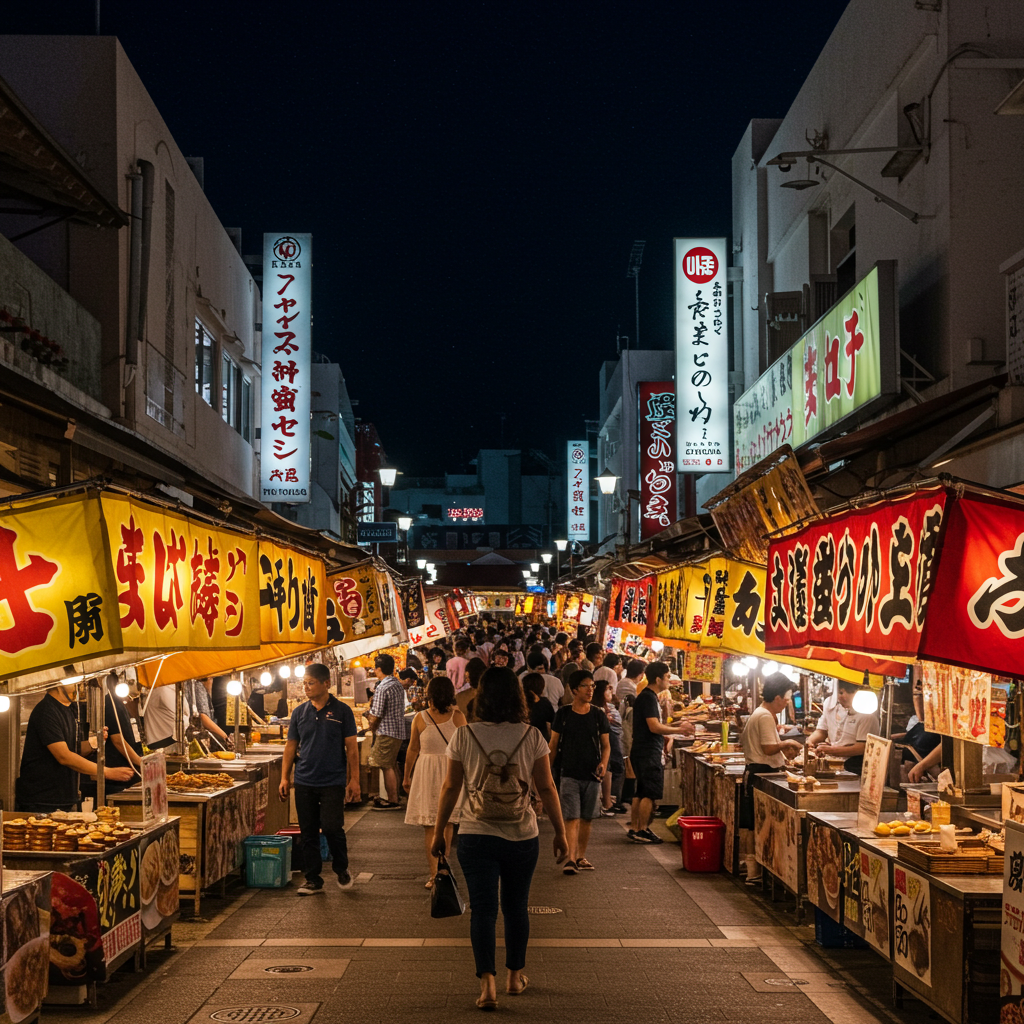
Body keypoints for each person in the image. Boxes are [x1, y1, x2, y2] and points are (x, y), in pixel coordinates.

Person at [432, 666, 568, 1011]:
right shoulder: (532, 735)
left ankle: (487, 984)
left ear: (481, 697)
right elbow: (547, 787)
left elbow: (451, 787)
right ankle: (513, 977)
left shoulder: (464, 735)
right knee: (516, 907)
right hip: (522, 834)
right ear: (517, 697)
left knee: (483, 910)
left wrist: (439, 832)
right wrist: (562, 833)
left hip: (476, 833)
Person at [279, 663, 360, 895]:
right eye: (304, 683)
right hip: (304, 779)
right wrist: (285, 778)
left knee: (333, 827)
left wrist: (354, 780)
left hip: (333, 780)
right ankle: (313, 879)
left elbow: (352, 749)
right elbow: (291, 747)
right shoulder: (299, 712)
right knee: (308, 831)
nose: (306, 687)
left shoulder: (343, 711)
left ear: (326, 683)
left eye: (310, 683)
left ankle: (341, 868)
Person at [16, 685, 134, 813]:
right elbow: (64, 756)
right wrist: (106, 772)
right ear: (59, 684)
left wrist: (92, 744)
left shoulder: (69, 709)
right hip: (41, 800)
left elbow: (72, 750)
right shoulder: (46, 711)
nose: (80, 686)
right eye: (74, 682)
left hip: (64, 799)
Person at [739, 673, 804, 883]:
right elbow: (768, 748)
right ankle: (754, 872)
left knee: (751, 823)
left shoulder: (758, 713)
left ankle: (752, 869)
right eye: (786, 700)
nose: (786, 704)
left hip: (754, 772)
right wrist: (787, 744)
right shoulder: (765, 715)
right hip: (761, 772)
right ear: (777, 697)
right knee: (758, 823)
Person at [403, 677, 467, 887]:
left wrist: (407, 775)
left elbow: (413, 749)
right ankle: (441, 870)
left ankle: (436, 873)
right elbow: (466, 749)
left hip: (428, 772)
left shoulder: (420, 718)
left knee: (432, 825)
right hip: (448, 771)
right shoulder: (458, 718)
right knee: (444, 823)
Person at [549, 670, 610, 873]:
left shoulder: (598, 714)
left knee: (586, 818)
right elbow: (553, 743)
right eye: (586, 686)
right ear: (574, 690)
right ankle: (571, 859)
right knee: (572, 816)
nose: (591, 690)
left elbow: (606, 745)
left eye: (592, 686)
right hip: (569, 773)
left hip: (593, 774)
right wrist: (547, 771)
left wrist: (603, 763)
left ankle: (581, 856)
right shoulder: (563, 714)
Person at [628, 662, 694, 844]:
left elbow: (656, 724)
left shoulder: (648, 697)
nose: (669, 680)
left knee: (641, 791)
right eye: (667, 677)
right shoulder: (648, 698)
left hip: (642, 750)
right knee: (649, 792)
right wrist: (679, 731)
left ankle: (635, 828)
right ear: (658, 679)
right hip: (648, 751)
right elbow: (654, 727)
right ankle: (642, 829)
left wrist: (678, 726)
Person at [806, 679, 881, 775]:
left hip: (856, 766)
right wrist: (811, 741)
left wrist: (831, 750)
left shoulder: (866, 710)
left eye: (849, 693)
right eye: (840, 692)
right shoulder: (830, 704)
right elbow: (822, 731)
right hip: (833, 763)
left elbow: (862, 747)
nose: (843, 697)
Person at [366, 653, 407, 809]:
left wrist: (369, 719)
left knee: (385, 765)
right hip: (397, 731)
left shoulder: (383, 686)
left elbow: (375, 715)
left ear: (379, 669)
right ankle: (395, 797)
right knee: (392, 764)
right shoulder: (397, 684)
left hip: (386, 731)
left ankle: (392, 800)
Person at [592, 678, 626, 816]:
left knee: (613, 768)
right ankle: (609, 801)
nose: (610, 691)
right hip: (608, 739)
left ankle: (610, 800)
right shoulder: (600, 710)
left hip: (614, 738)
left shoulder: (610, 707)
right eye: (607, 689)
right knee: (612, 767)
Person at [183, 676, 232, 750]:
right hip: (199, 739)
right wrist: (225, 737)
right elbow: (203, 716)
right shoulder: (198, 686)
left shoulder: (196, 685)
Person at [522, 672, 555, 740]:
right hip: (542, 740)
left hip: (524, 740)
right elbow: (552, 724)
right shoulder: (544, 703)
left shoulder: (520, 704)